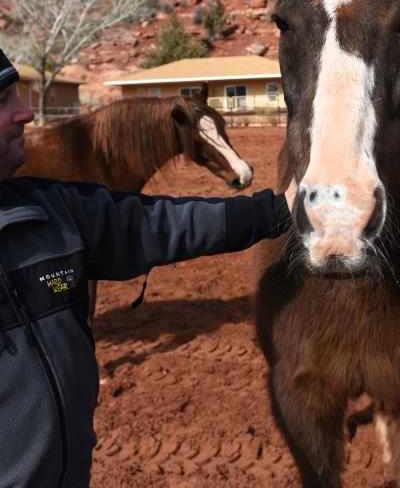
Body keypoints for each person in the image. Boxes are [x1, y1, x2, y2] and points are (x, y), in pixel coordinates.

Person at [0, 49, 293, 488]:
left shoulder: (50, 210)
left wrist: (282, 208)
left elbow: (157, 224)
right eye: (2, 100)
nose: (26, 112)